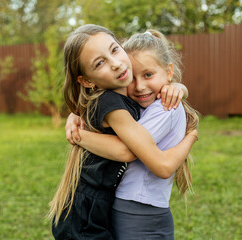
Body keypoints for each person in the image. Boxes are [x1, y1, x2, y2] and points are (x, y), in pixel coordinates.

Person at [48, 24, 198, 240]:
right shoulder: (111, 102)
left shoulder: (125, 98)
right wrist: (192, 135)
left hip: (101, 204)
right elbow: (128, 152)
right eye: (100, 63)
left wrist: (179, 88)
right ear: (87, 80)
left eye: (115, 50)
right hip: (86, 212)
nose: (116, 65)